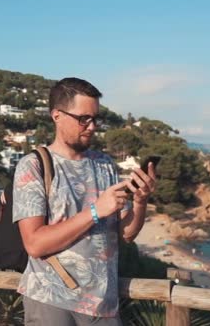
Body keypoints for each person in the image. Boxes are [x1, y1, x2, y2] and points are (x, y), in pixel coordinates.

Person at [12, 77, 157, 325]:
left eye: (95, 118)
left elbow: (126, 235)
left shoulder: (105, 165)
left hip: (104, 306)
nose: (92, 126)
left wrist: (141, 202)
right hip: (51, 300)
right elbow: (35, 244)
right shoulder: (33, 165)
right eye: (83, 119)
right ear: (57, 115)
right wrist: (96, 210)